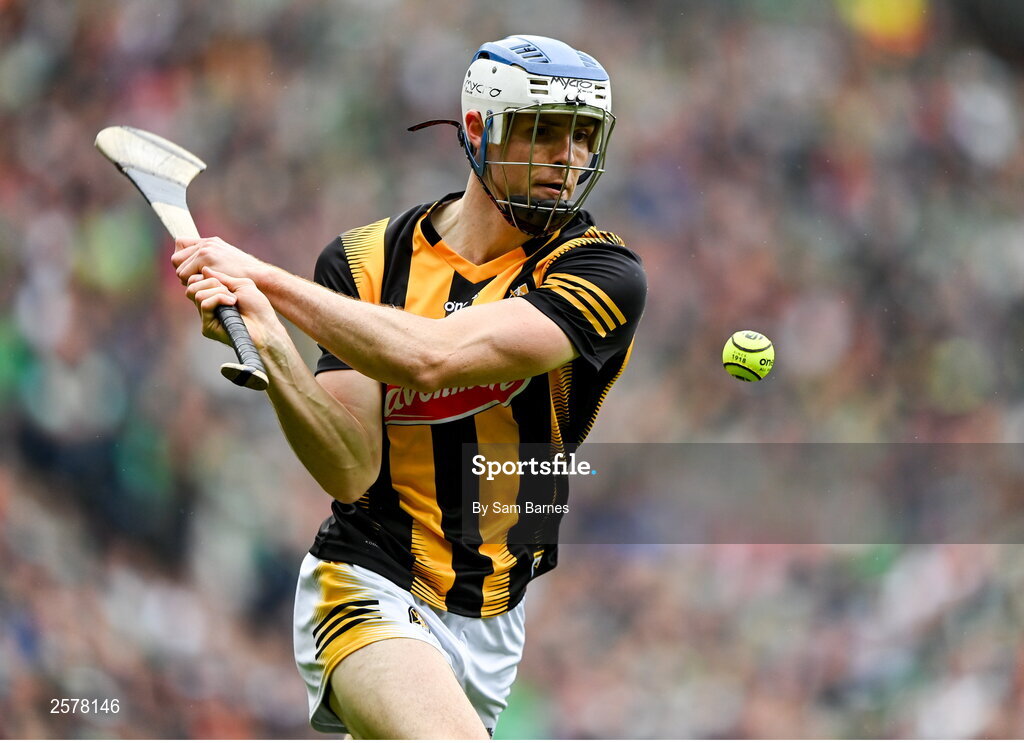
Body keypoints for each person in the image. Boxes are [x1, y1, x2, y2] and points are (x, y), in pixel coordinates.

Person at [172, 34, 647, 740]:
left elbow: (432, 358)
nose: (568, 158)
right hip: (366, 581)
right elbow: (348, 466)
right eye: (544, 132)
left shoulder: (602, 273)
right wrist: (275, 351)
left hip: (493, 621)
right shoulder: (365, 261)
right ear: (481, 129)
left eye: (583, 137)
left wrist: (265, 285)